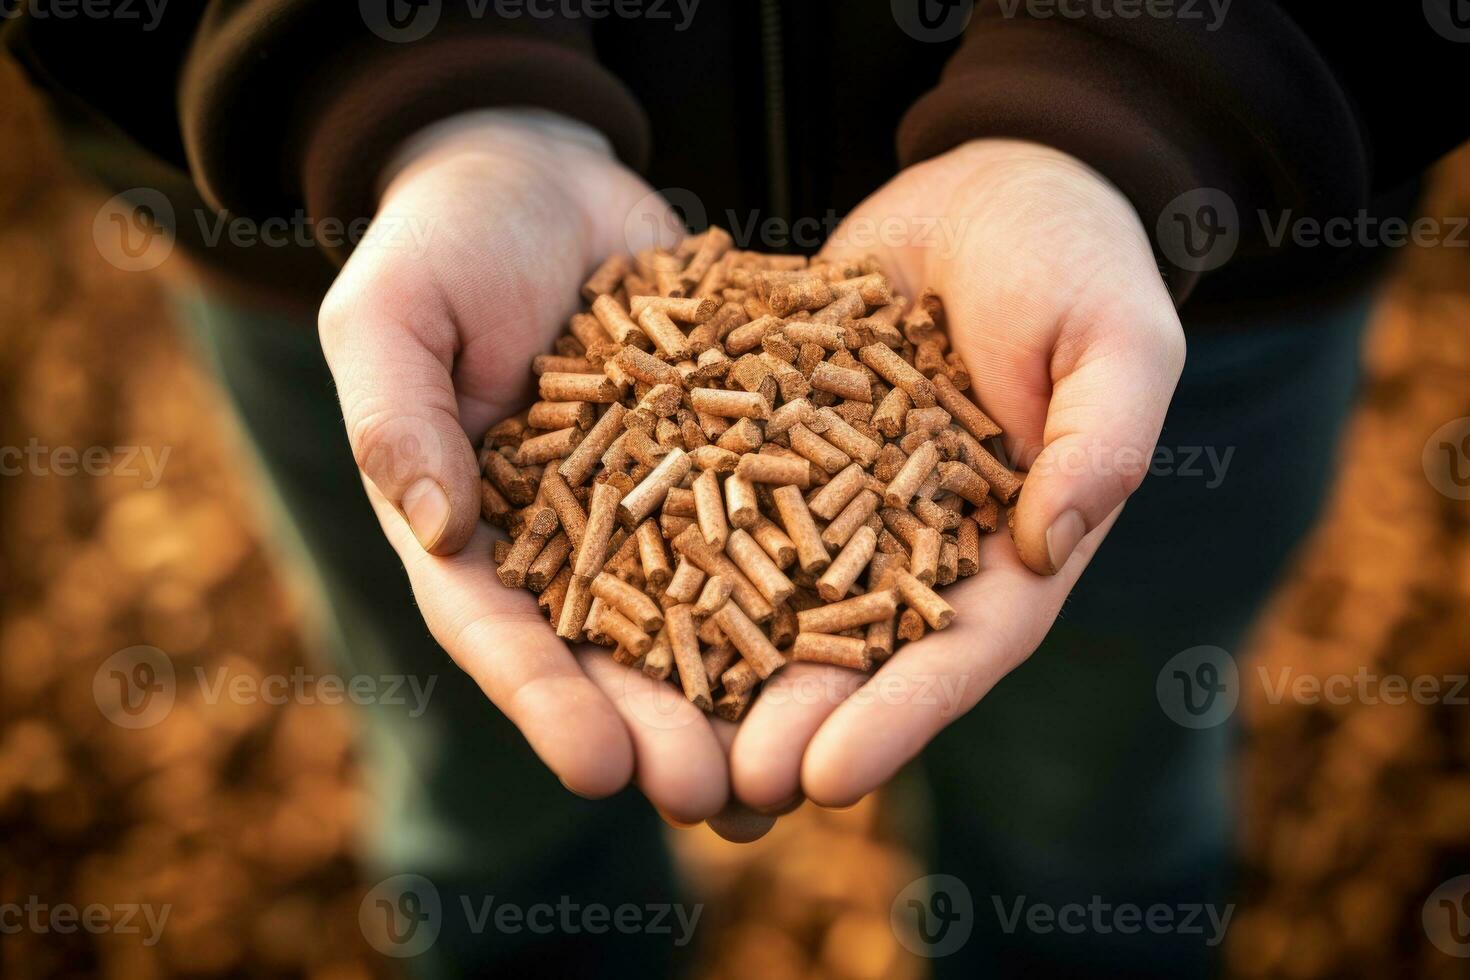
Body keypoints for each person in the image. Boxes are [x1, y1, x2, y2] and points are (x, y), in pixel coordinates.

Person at [7, 3, 1465, 975]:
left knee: (1099, 816)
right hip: (370, 239)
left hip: (1176, 249)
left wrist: (1138, 100)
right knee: (479, 801)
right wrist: (395, 83)